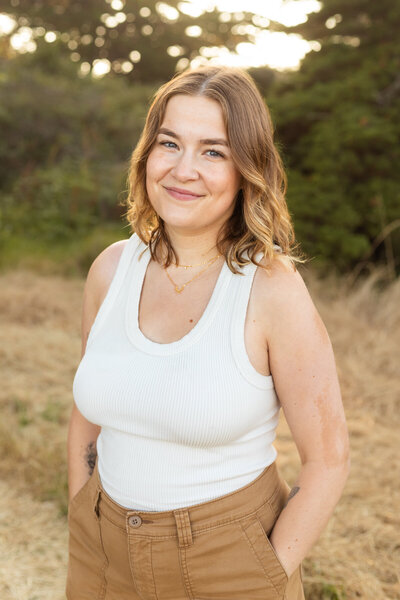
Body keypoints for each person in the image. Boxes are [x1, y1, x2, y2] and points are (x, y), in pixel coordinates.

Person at [66, 65, 350, 600]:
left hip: (227, 564)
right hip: (100, 553)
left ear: (247, 169)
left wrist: (267, 572)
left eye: (213, 151)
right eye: (169, 143)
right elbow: (88, 412)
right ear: (147, 154)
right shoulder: (110, 269)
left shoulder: (271, 290)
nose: (184, 169)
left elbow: (329, 459)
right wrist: (83, 509)